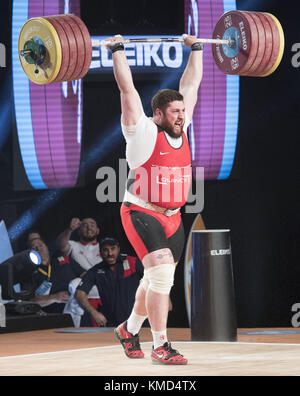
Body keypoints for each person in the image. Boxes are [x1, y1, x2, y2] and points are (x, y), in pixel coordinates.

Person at [106, 34, 203, 365]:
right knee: (161, 276)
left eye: (182, 111)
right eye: (174, 111)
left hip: (173, 216)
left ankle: (128, 329)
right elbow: (127, 91)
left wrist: (196, 48)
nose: (181, 115)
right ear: (159, 114)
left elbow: (191, 83)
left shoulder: (182, 126)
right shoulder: (142, 131)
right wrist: (118, 50)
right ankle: (161, 345)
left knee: (155, 280)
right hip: (140, 211)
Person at [75, 238, 144, 330]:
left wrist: (166, 299)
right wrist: (94, 313)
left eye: (113, 248)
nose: (110, 253)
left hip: (139, 320)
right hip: (113, 324)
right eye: (105, 250)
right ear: (100, 253)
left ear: (118, 249)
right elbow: (79, 294)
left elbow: (154, 278)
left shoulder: (133, 262)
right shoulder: (96, 270)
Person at [29, 236, 85, 313]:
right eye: (34, 247)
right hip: (53, 316)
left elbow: (85, 275)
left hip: (78, 308)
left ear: (47, 247)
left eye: (40, 245)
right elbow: (33, 302)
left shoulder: (65, 260)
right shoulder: (33, 274)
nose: (38, 248)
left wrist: (80, 291)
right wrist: (55, 297)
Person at [56, 217, 102, 301]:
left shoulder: (105, 247)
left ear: (98, 230)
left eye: (92, 225)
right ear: (78, 231)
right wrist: (70, 229)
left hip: (104, 296)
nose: (89, 228)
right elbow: (61, 245)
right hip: (80, 298)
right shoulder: (73, 245)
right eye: (85, 225)